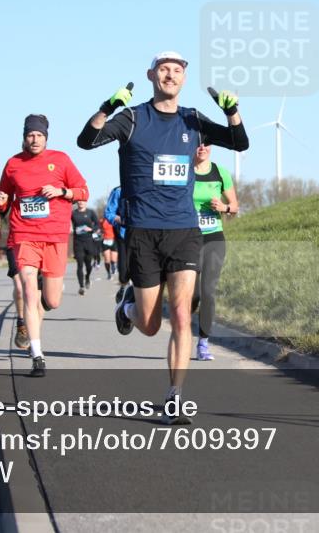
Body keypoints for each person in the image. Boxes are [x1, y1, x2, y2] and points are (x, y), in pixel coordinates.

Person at [77, 51, 248, 424]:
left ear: (183, 78)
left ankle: (175, 396)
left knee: (182, 315)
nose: (170, 76)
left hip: (184, 230)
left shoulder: (193, 118)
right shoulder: (133, 118)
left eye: (177, 70)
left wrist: (231, 112)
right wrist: (107, 107)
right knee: (151, 324)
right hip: (143, 232)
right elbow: (85, 141)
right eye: (164, 70)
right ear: (152, 74)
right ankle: (128, 308)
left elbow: (240, 143)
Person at [0, 114, 88, 377]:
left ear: (46, 137)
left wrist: (61, 192)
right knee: (27, 289)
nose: (34, 139)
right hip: (24, 234)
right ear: (24, 137)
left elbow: (82, 190)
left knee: (52, 300)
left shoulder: (60, 160)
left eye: (38, 135)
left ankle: (41, 307)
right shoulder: (13, 164)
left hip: (55, 236)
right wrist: (1, 203)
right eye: (30, 135)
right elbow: (4, 199)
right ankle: (37, 355)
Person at [191, 136, 238, 361]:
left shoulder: (221, 172)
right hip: (188, 238)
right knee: (193, 295)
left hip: (214, 238)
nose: (203, 148)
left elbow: (235, 206)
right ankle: (184, 324)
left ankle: (203, 342)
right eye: (199, 144)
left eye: (207, 145)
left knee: (208, 291)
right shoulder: (185, 171)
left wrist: (224, 206)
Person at [0, 215, 29, 350]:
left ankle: (34, 335)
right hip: (15, 243)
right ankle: (21, 323)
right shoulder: (11, 194)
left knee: (37, 292)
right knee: (19, 286)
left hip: (40, 242)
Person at [104, 186, 130, 302]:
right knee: (124, 271)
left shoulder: (146, 188)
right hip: (124, 235)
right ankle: (123, 288)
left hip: (144, 235)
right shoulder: (118, 191)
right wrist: (122, 219)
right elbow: (109, 213)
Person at [70, 200, 99, 295]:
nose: (81, 202)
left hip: (89, 241)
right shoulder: (73, 213)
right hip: (78, 242)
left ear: (86, 202)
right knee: (79, 264)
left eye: (83, 201)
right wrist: (71, 228)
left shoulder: (91, 212)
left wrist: (91, 229)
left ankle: (87, 277)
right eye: (79, 201)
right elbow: (67, 223)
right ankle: (81, 286)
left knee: (88, 265)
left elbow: (97, 225)